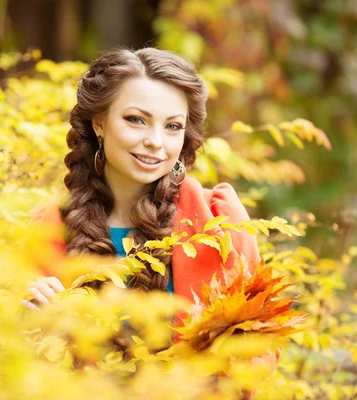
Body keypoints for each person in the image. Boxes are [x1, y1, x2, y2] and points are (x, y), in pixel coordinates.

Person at [26, 47, 260, 309]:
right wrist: (32, 318)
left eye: (172, 126)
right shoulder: (53, 223)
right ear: (99, 123)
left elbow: (261, 341)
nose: (155, 142)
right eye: (136, 120)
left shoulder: (220, 220)